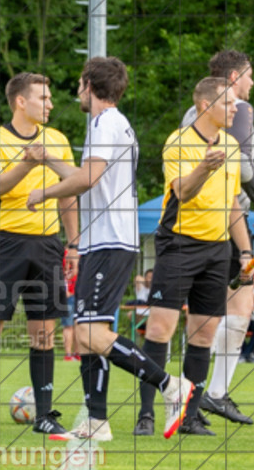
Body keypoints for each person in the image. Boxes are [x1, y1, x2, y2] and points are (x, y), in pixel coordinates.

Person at [23, 56, 194, 440]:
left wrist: (43, 193)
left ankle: (171, 385)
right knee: (90, 331)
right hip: (106, 240)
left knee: (89, 334)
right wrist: (48, 160)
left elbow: (86, 179)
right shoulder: (112, 124)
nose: (76, 92)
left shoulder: (105, 123)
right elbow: (89, 177)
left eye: (79, 84)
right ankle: (97, 421)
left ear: (89, 84)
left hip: (111, 241)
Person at [0, 72, 78, 436]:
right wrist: (28, 162)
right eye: (44, 98)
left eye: (50, 97)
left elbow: (70, 191)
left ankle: (44, 415)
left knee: (43, 333)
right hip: (5, 244)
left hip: (49, 245)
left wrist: (74, 243)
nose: (50, 103)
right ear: (21, 101)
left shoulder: (58, 139)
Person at [133, 76, 252, 436]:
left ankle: (189, 416)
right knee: (158, 329)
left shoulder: (231, 145)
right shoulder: (178, 142)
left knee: (203, 335)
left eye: (235, 103)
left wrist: (245, 252)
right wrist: (204, 166)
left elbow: (233, 205)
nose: (236, 108)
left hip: (218, 251)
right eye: (229, 103)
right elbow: (182, 191)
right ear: (205, 105)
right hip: (179, 245)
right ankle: (147, 414)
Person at [182, 50, 254, 425]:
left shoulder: (193, 111)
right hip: (230, 217)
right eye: (249, 76)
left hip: (195, 217)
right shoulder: (240, 109)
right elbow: (245, 167)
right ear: (234, 77)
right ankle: (213, 392)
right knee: (240, 304)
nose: (252, 84)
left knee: (200, 311)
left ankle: (186, 396)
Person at [61, 250, 78, 362]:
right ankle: (68, 354)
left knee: (78, 326)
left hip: (79, 294)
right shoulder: (65, 255)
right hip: (70, 295)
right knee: (69, 326)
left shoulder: (82, 254)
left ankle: (77, 354)